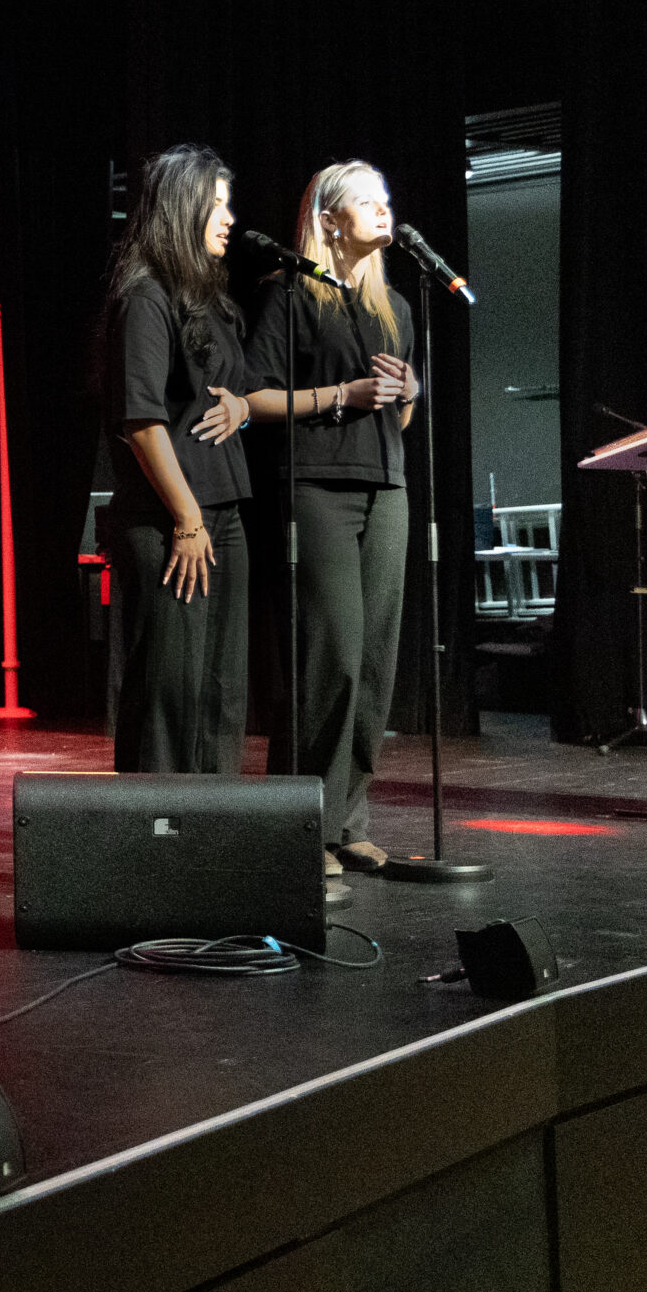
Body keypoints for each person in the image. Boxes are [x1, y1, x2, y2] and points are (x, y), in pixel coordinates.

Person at [242, 161, 418, 878]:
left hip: (387, 488)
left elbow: (398, 416)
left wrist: (411, 391)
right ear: (329, 219)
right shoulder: (289, 295)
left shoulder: (395, 306)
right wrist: (342, 394)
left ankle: (348, 820)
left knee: (375, 663)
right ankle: (300, 825)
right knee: (331, 659)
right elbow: (253, 398)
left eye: (386, 200)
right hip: (316, 487)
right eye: (366, 202)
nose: (383, 210)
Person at [96, 146, 256, 776]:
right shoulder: (145, 297)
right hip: (170, 518)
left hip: (223, 508)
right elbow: (141, 422)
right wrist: (187, 519)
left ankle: (214, 819)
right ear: (182, 208)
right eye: (216, 204)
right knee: (171, 689)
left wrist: (242, 408)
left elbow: (234, 391)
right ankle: (156, 824)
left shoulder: (210, 300)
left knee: (220, 688)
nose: (229, 218)